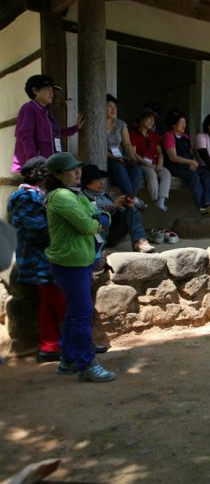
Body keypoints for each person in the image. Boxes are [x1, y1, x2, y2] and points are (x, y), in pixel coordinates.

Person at [44, 152, 116, 382]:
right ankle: (87, 364)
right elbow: (87, 224)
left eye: (78, 168)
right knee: (82, 314)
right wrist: (99, 222)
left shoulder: (76, 194)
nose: (77, 172)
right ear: (58, 174)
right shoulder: (61, 196)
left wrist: (100, 219)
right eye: (71, 169)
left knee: (75, 313)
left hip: (80, 261)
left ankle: (69, 359)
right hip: (69, 263)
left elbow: (101, 213)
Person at [7, 157, 66, 363]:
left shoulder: (34, 195)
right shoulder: (25, 197)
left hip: (41, 258)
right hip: (39, 259)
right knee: (63, 302)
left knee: (49, 304)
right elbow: (39, 230)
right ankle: (75, 343)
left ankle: (50, 347)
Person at [13, 75, 84, 173]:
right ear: (35, 90)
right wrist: (35, 163)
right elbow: (26, 137)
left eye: (52, 91)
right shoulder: (29, 108)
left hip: (48, 165)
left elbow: (55, 134)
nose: (52, 94)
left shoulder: (47, 112)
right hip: (35, 168)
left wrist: (75, 128)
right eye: (48, 90)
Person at [81, 164, 155, 254]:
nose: (101, 183)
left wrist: (131, 202)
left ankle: (139, 242)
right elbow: (91, 216)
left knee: (131, 208)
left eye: (102, 179)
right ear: (87, 183)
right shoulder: (82, 198)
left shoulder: (109, 194)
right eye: (97, 181)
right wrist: (112, 207)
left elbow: (142, 208)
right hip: (99, 235)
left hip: (115, 233)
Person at [162, 109, 210, 216]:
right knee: (193, 176)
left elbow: (190, 153)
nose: (184, 125)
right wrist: (190, 162)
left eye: (185, 122)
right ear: (173, 124)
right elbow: (173, 157)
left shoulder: (185, 137)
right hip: (173, 166)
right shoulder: (168, 136)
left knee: (205, 172)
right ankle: (201, 206)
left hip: (186, 164)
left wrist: (192, 162)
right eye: (181, 122)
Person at [129, 108, 172, 211]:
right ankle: (155, 199)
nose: (152, 122)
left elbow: (160, 153)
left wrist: (160, 164)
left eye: (153, 119)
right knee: (151, 174)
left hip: (154, 164)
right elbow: (133, 154)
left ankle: (161, 200)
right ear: (141, 119)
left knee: (166, 173)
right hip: (141, 164)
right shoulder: (133, 134)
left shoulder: (154, 135)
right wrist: (148, 165)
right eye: (149, 119)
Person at [105, 94, 143, 199]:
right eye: (110, 106)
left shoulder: (120, 124)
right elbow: (100, 149)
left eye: (115, 107)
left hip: (120, 155)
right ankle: (133, 200)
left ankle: (130, 199)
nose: (113, 109)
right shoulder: (97, 125)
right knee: (118, 167)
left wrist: (131, 157)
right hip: (107, 157)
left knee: (136, 168)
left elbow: (127, 144)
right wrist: (115, 158)